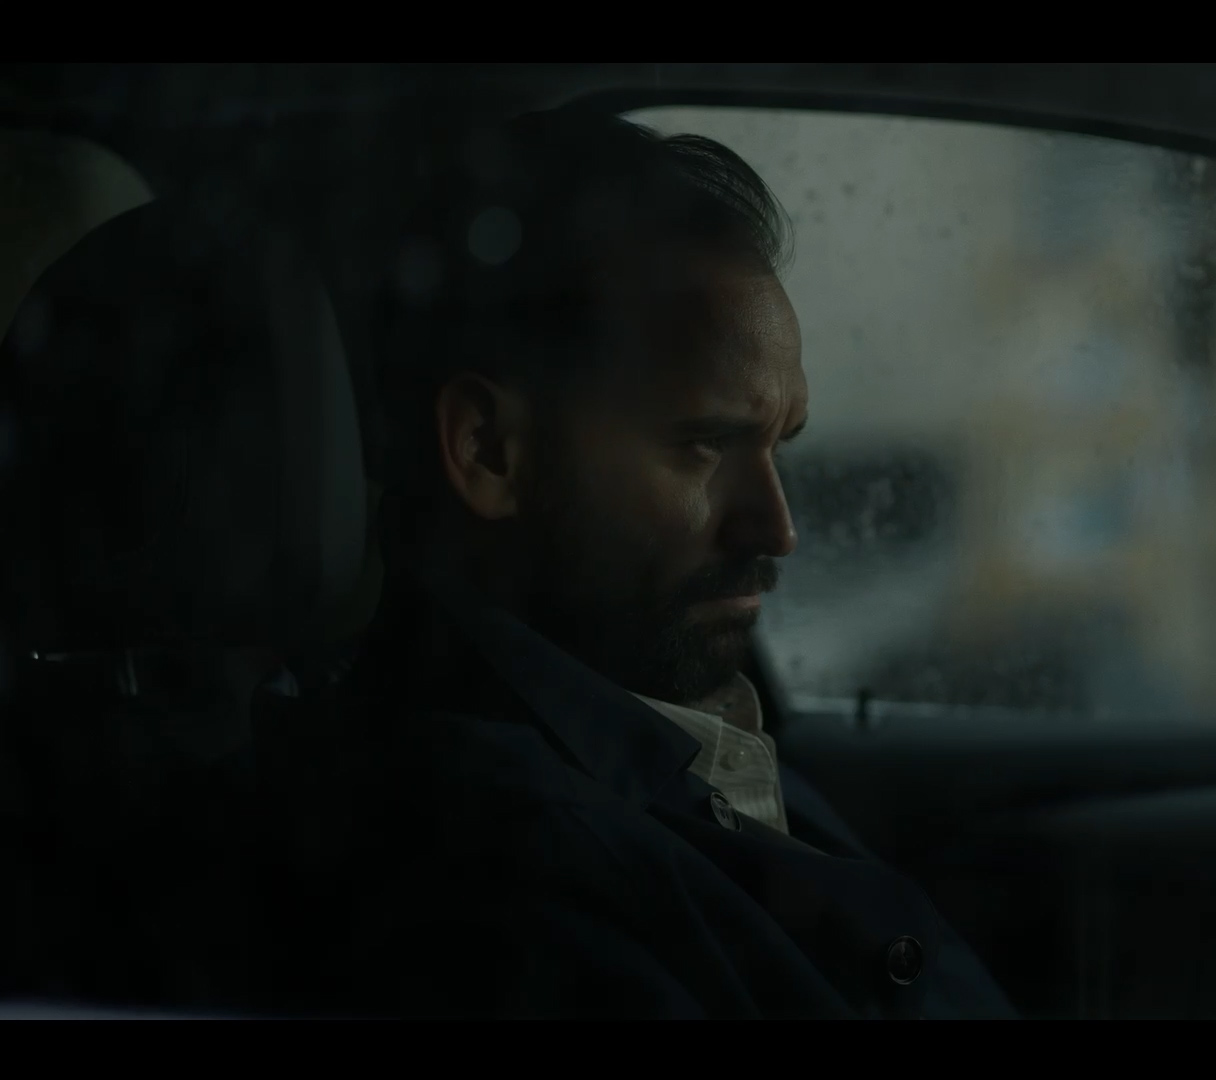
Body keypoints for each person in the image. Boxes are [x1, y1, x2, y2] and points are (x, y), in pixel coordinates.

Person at [259, 107, 1014, 1019]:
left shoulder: (653, 752)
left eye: (780, 445)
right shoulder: (506, 877)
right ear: (490, 450)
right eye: (705, 445)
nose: (777, 529)